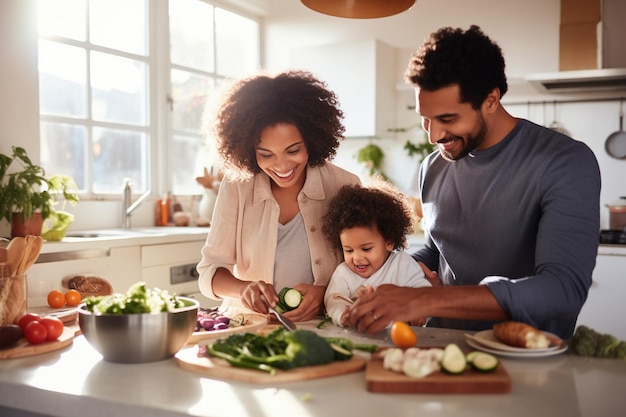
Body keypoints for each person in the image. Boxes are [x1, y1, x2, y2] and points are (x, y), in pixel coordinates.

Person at [345, 25, 601, 339]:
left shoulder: (564, 162)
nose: (434, 135)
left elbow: (562, 290)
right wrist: (392, 277)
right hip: (441, 346)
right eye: (425, 117)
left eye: (448, 119)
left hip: (526, 360)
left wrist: (422, 299)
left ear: (491, 99)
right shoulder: (434, 167)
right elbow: (438, 250)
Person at [196, 70, 360, 322]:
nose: (281, 166)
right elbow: (210, 272)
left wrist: (326, 294)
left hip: (325, 326)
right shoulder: (237, 187)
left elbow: (368, 269)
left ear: (312, 140)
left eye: (293, 150)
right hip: (250, 327)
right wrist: (243, 288)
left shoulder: (344, 185)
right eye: (266, 154)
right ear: (248, 151)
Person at [322, 183, 431, 327]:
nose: (357, 258)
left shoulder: (402, 263)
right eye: (349, 250)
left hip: (400, 339)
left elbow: (423, 292)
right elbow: (333, 300)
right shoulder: (343, 273)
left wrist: (419, 312)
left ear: (389, 242)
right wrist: (344, 315)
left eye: (366, 249)